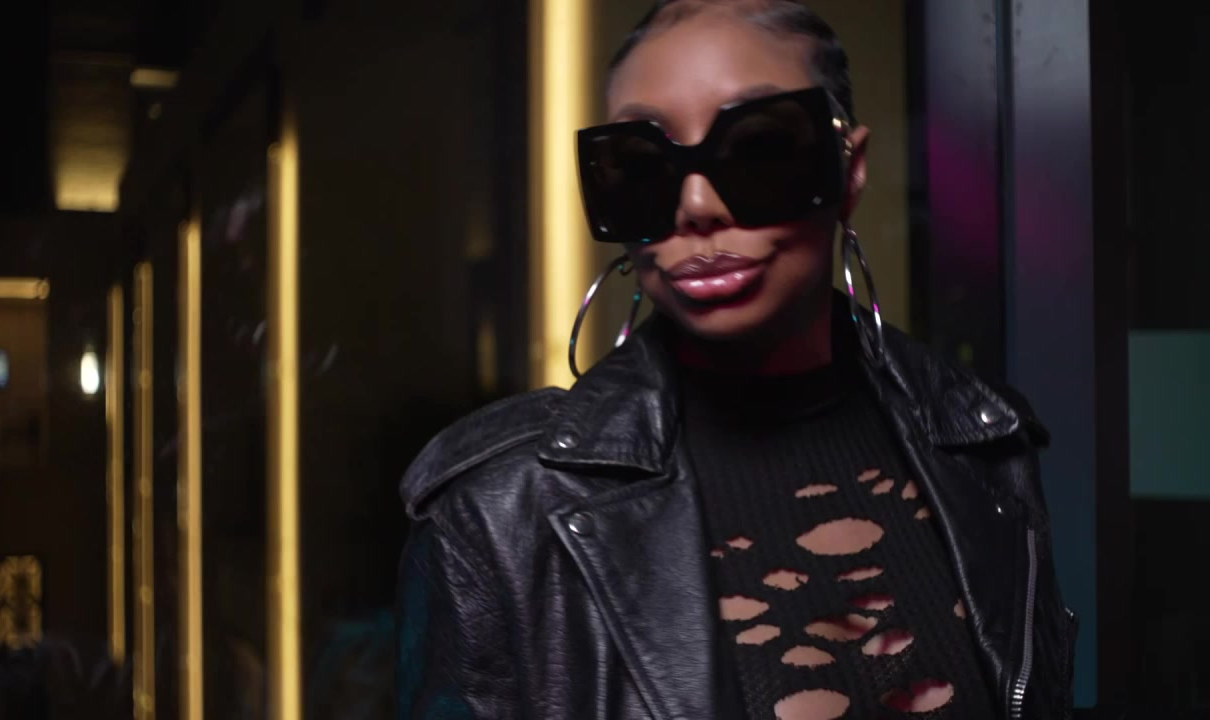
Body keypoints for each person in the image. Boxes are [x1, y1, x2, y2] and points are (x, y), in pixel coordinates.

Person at [395, 1, 1077, 718]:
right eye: (641, 164)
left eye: (758, 149)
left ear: (849, 171)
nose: (696, 205)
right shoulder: (500, 511)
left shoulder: (982, 444)